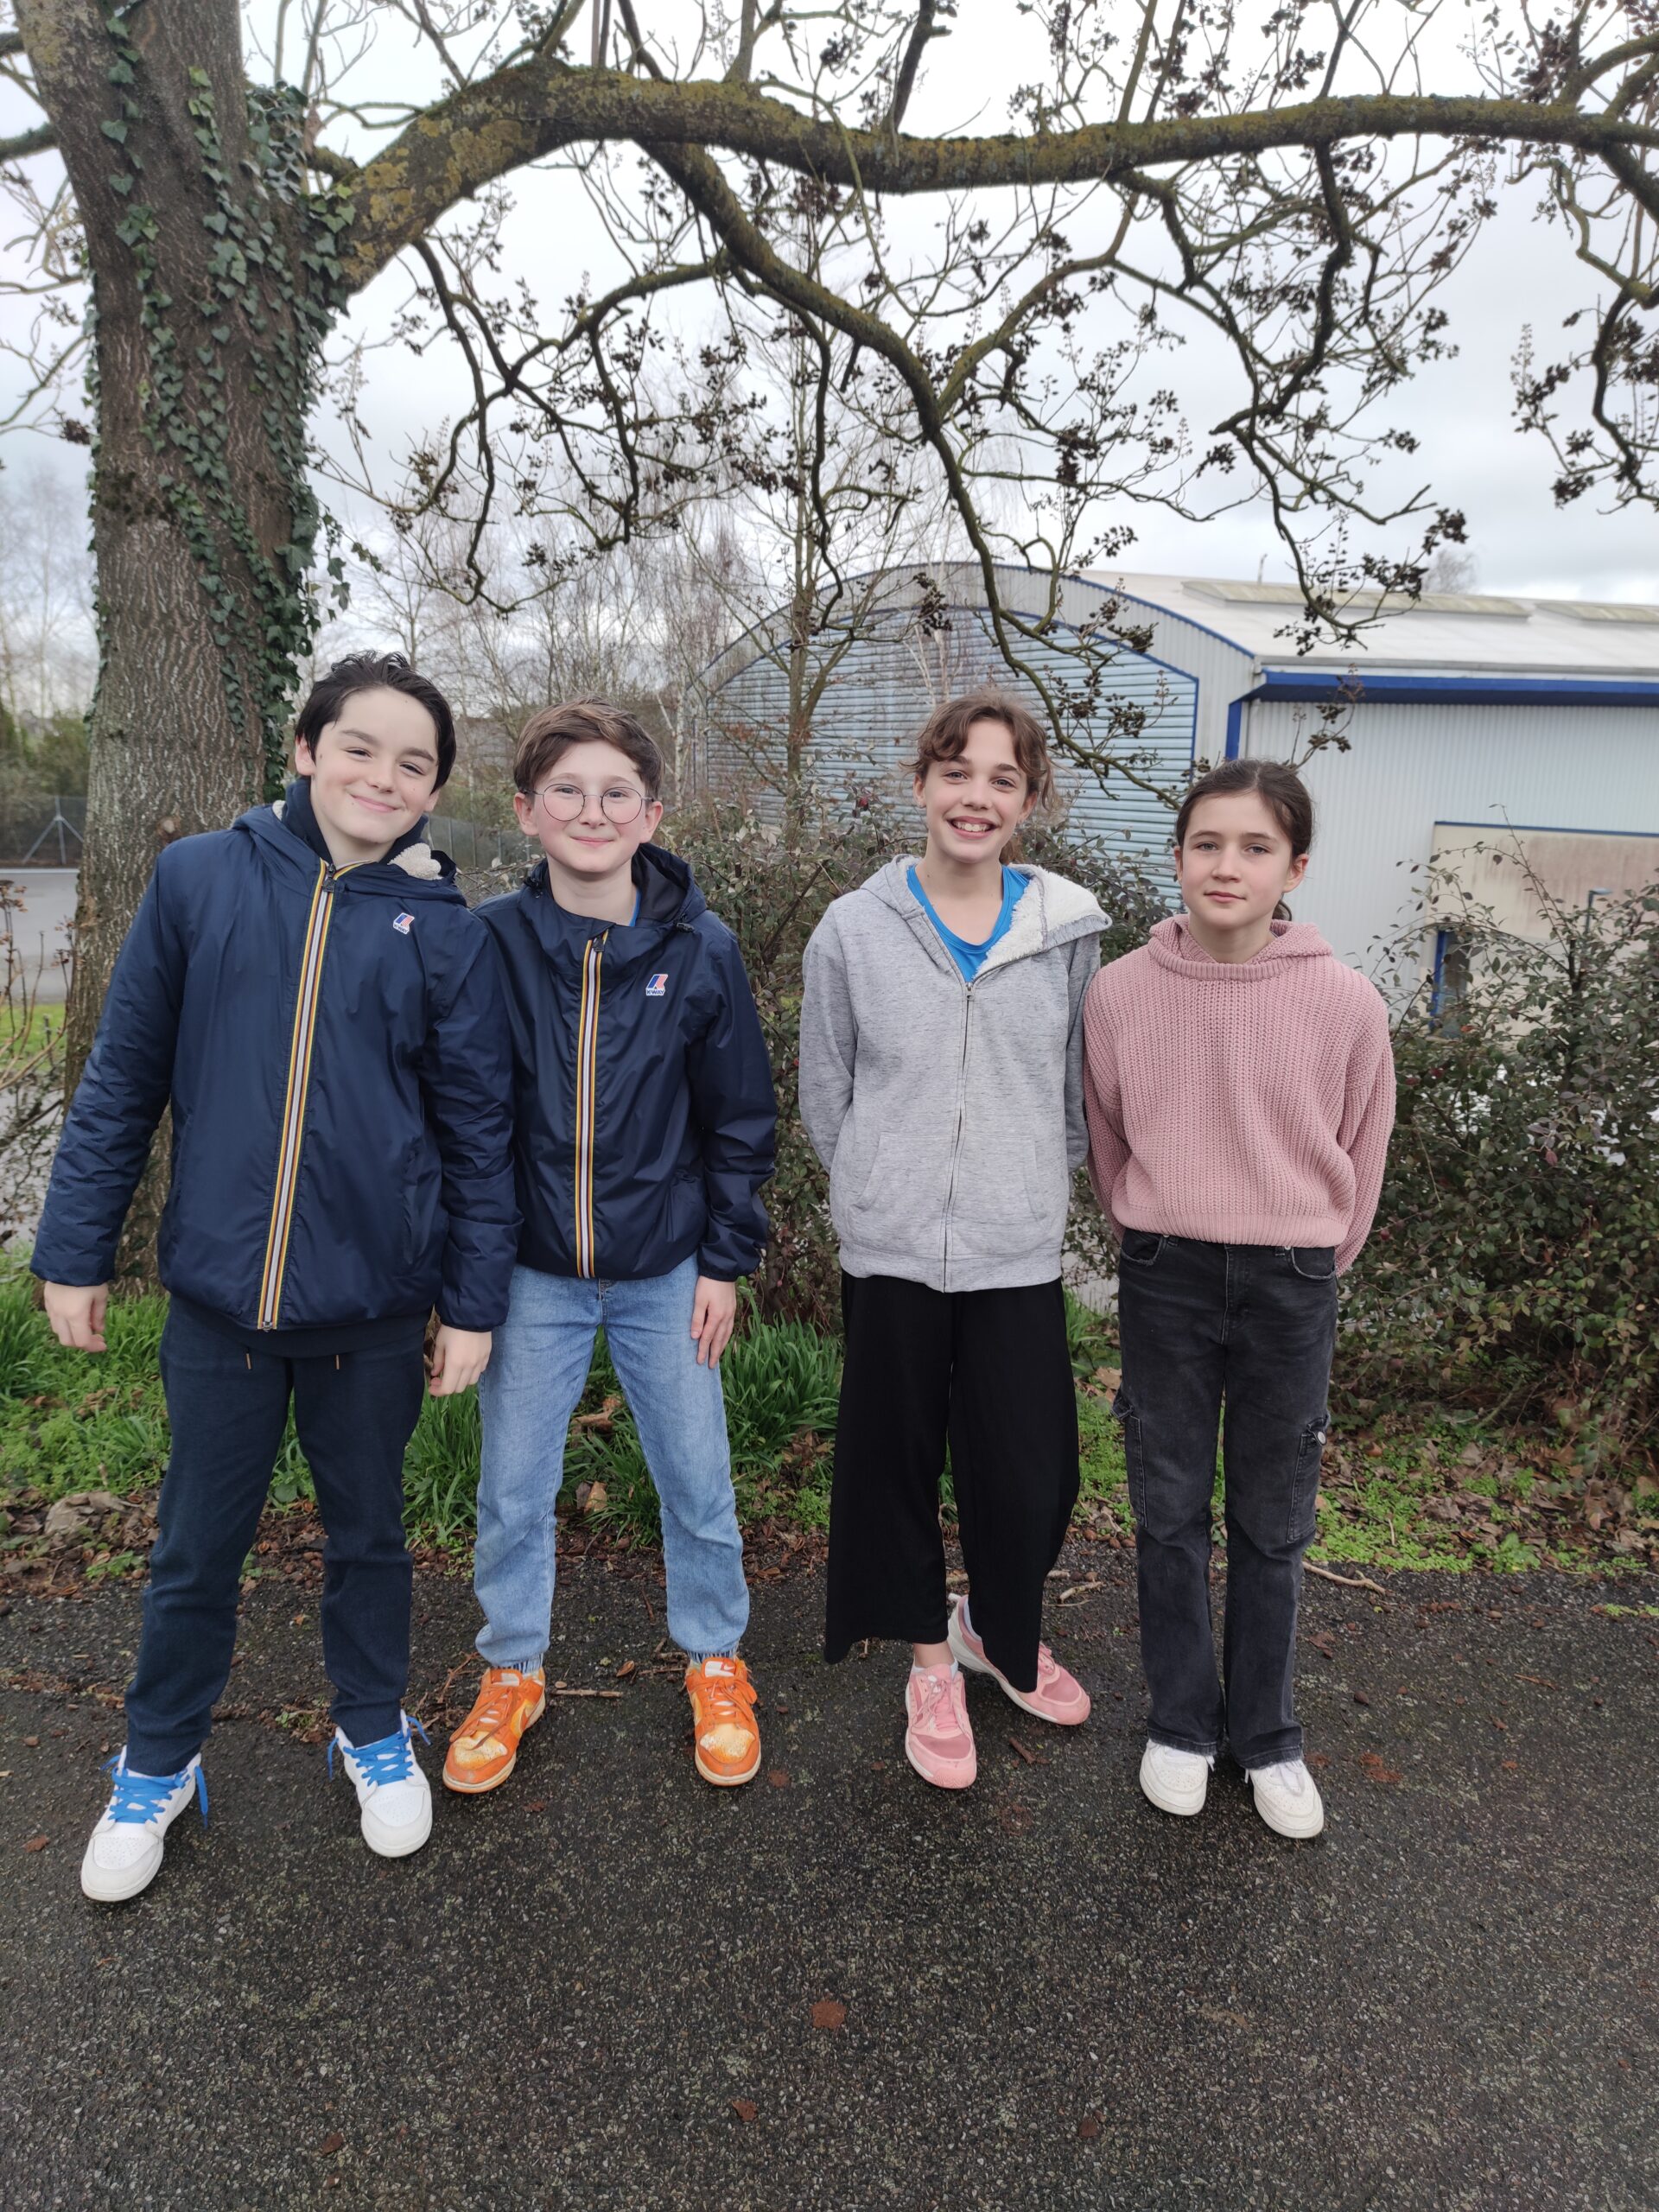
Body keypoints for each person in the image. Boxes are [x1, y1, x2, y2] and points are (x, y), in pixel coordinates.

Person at [35, 652, 519, 1902]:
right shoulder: (201, 877)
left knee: (370, 1538)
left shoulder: (444, 930)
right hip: (219, 1309)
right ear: (306, 749)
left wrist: (472, 1302)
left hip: (373, 1313)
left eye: (415, 764)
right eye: (361, 747)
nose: (385, 777)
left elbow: (476, 1134)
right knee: (197, 1547)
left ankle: (369, 1727)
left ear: (432, 792)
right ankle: (160, 1760)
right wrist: (74, 1249)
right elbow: (122, 1078)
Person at [445, 701, 776, 1796]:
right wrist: (471, 1284)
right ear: (527, 811)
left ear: (652, 815)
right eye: (568, 791)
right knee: (512, 1487)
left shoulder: (702, 948)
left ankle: (716, 1659)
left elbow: (737, 1120)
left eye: (616, 792)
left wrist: (724, 1261)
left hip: (664, 1270)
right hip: (533, 1275)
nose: (593, 810)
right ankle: (511, 1670)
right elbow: (469, 1120)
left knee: (696, 1479)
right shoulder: (486, 940)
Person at [1082, 758, 1395, 1840]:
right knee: (1167, 1508)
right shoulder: (1120, 991)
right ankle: (1180, 1721)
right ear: (1177, 857)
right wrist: (1147, 1225)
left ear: (1294, 867)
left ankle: (1265, 1737)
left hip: (1292, 1280)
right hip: (1165, 1268)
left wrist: (1313, 1259)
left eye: (1256, 847)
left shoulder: (1345, 1000)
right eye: (1208, 843)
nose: (1228, 865)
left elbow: (1366, 1144)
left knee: (1274, 1518)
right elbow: (1107, 1133)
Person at [799, 690, 1106, 1790]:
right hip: (890, 1248)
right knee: (890, 1461)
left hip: (1014, 1245)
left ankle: (996, 1631)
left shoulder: (1066, 931)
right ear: (921, 782)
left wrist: (1021, 1184)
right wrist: (881, 1186)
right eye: (958, 772)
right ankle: (930, 1659)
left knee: (1032, 1474)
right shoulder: (854, 928)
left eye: (1003, 780)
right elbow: (826, 1091)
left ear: (1030, 801)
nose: (977, 796)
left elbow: (1077, 1094)